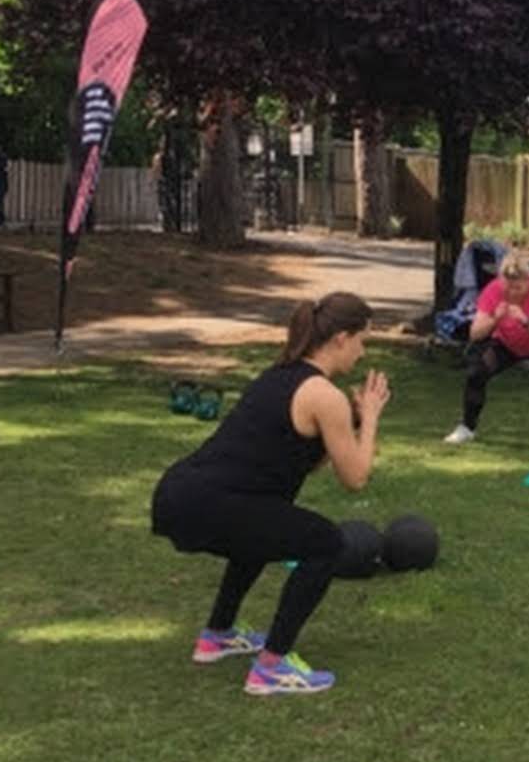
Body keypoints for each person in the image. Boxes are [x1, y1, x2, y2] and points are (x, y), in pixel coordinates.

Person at [151, 292, 388, 695]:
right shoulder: (323, 394)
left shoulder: (281, 375)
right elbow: (356, 478)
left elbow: (306, 460)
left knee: (263, 533)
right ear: (341, 338)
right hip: (209, 502)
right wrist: (370, 420)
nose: (362, 352)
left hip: (180, 495)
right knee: (326, 543)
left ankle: (217, 636)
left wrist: (348, 424)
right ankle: (271, 668)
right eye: (362, 340)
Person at [442, 252, 529, 460]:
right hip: (507, 342)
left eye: (519, 288)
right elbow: (475, 333)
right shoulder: (493, 291)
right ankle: (467, 428)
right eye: (508, 287)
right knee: (476, 373)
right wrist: (495, 319)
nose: (513, 292)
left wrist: (525, 320)